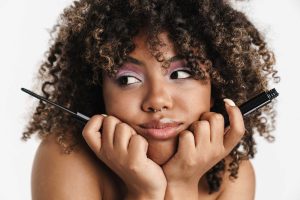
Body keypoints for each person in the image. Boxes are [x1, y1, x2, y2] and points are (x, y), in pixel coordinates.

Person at [23, 0, 280, 199]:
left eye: (181, 73)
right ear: (97, 88)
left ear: (217, 84)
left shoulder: (232, 176)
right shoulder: (66, 156)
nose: (157, 100)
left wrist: (181, 186)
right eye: (126, 80)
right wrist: (144, 194)